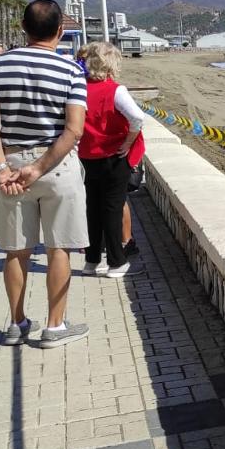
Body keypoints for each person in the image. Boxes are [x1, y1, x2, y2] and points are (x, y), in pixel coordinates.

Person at [0, 0, 89, 349]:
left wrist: (1, 169)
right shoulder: (70, 70)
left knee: (17, 251)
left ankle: (16, 322)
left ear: (23, 28)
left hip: (11, 165)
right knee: (59, 248)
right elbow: (74, 129)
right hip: (57, 166)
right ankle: (55, 327)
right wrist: (39, 166)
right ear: (60, 30)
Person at [76, 42, 145, 277]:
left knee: (92, 209)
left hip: (87, 156)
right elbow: (137, 117)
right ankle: (117, 262)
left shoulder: (79, 89)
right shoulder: (114, 90)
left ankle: (91, 260)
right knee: (112, 209)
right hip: (113, 157)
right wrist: (127, 142)